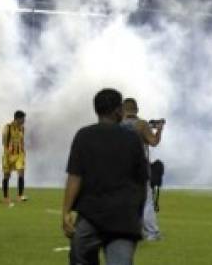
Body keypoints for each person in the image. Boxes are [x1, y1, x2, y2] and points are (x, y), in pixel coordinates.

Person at [62, 88, 148, 265]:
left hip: (90, 217)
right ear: (118, 110)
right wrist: (137, 214)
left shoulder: (84, 136)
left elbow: (74, 177)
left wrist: (66, 212)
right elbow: (142, 180)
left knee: (79, 257)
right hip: (124, 219)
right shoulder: (132, 139)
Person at [119, 98, 163, 240]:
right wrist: (159, 130)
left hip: (121, 168)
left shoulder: (117, 125)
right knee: (146, 202)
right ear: (136, 110)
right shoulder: (142, 125)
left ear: (123, 110)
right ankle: (151, 233)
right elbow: (153, 142)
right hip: (140, 168)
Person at [2, 110, 27, 205]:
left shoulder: (22, 129)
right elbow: (4, 140)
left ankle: (20, 196)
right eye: (23, 119)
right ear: (17, 118)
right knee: (7, 176)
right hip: (8, 155)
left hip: (19, 154)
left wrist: (23, 151)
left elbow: (22, 140)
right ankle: (5, 197)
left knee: (21, 172)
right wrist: (7, 151)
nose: (24, 120)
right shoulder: (8, 127)